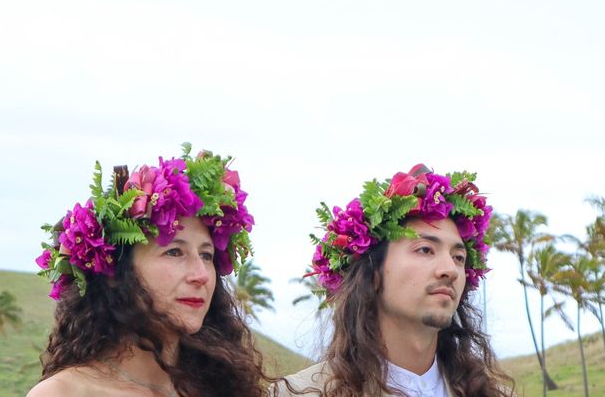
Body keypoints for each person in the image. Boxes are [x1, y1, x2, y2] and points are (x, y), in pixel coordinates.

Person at [27, 144, 268, 397]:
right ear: (115, 273)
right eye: (174, 252)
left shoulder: (224, 389)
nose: (202, 275)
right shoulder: (64, 392)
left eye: (206, 255)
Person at [272, 164, 515, 397]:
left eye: (459, 257)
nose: (449, 270)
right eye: (425, 250)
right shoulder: (299, 393)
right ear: (373, 273)